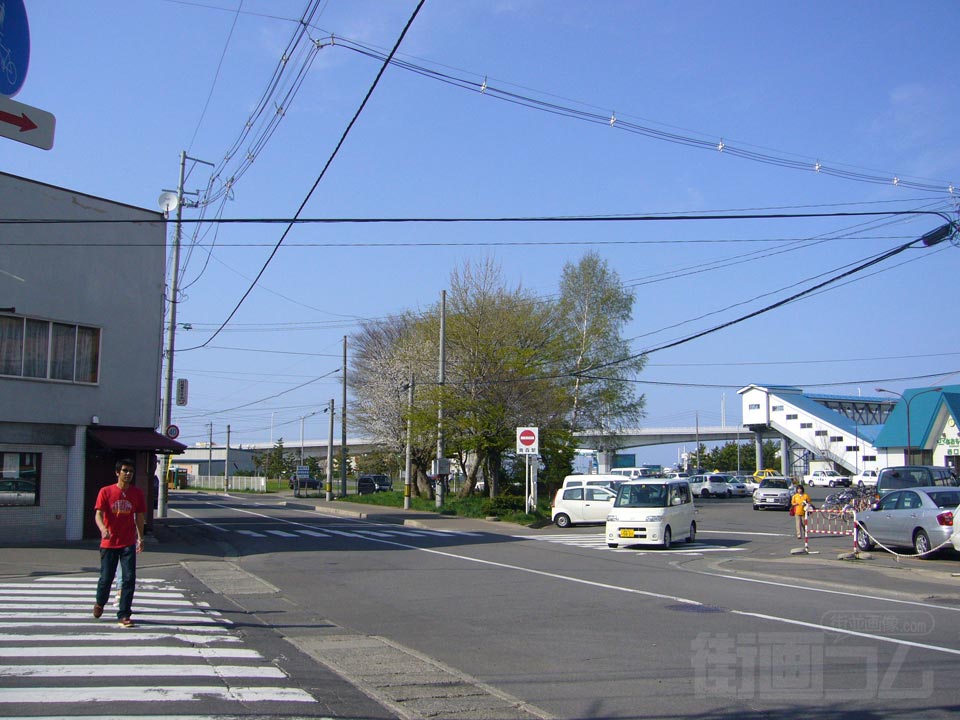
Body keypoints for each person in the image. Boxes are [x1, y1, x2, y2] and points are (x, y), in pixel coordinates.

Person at [93, 459, 145, 628]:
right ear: (117, 473)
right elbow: (98, 514)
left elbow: (139, 516)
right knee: (106, 578)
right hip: (109, 543)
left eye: (131, 471)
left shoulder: (137, 493)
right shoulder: (106, 491)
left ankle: (124, 614)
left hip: (127, 542)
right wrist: (103, 529)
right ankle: (100, 602)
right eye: (125, 470)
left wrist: (140, 537)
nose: (128, 474)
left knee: (129, 579)